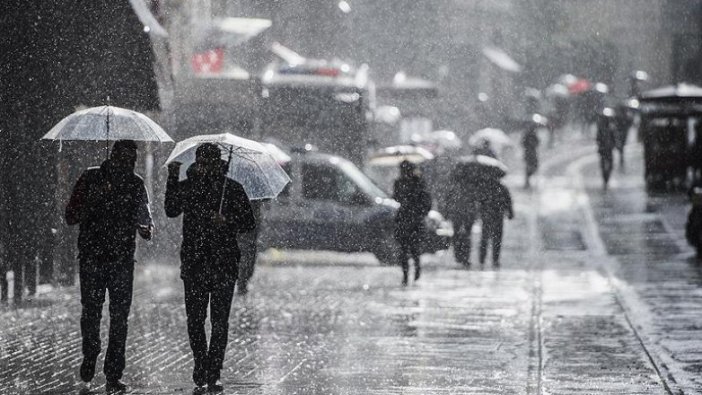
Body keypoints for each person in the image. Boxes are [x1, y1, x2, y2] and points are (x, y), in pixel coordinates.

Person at [165, 143, 255, 393]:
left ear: (219, 164)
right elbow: (171, 210)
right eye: (202, 163)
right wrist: (172, 178)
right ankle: (200, 362)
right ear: (197, 163)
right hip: (194, 262)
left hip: (224, 262)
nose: (205, 168)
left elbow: (248, 222)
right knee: (195, 319)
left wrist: (226, 220)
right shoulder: (189, 186)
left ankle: (214, 370)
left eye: (210, 163)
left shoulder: (232, 189)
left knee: (219, 321)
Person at [65, 140, 153, 394]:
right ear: (113, 156)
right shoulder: (90, 178)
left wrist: (145, 229)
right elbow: (70, 216)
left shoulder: (135, 184)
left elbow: (144, 217)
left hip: (122, 260)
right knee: (91, 312)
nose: (128, 165)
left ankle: (114, 372)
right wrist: (95, 198)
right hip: (93, 257)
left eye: (132, 161)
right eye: (125, 159)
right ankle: (91, 352)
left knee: (119, 318)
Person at [393, 161, 432, 286]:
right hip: (408, 220)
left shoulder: (417, 182)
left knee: (410, 249)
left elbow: (426, 201)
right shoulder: (401, 182)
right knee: (407, 250)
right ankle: (408, 274)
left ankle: (413, 272)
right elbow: (396, 197)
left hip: (411, 220)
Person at [445, 167, 481, 267]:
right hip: (467, 215)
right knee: (466, 236)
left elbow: (448, 201)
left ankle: (458, 256)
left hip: (457, 215)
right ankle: (465, 257)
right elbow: (475, 202)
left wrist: (447, 213)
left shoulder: (454, 187)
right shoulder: (471, 188)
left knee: (457, 235)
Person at [478, 178, 514, 266]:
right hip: (498, 216)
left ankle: (482, 259)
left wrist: (481, 212)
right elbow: (508, 202)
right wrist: (510, 213)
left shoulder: (485, 188)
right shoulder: (502, 188)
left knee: (485, 238)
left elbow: (480, 202)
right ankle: (495, 260)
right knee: (497, 239)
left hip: (487, 216)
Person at [236, 199, 262, 295]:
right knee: (246, 258)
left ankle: (242, 280)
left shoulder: (256, 200)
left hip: (250, 234)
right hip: (244, 233)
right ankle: (242, 281)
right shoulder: (240, 196)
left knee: (248, 258)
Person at [596, 108, 617, 190]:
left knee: (610, 164)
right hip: (603, 150)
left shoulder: (611, 127)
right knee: (604, 165)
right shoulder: (601, 128)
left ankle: (606, 178)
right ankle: (605, 178)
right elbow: (598, 138)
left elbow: (614, 137)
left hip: (608, 149)